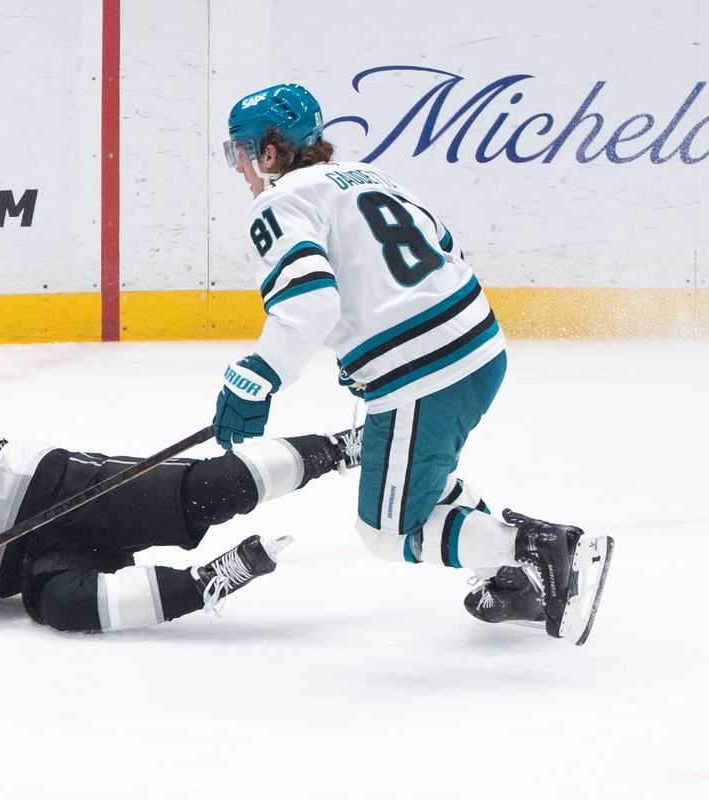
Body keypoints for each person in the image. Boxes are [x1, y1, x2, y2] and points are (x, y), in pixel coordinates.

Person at [212, 83, 614, 644]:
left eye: (239, 151)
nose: (239, 167)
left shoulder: (279, 202)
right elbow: (446, 248)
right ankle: (510, 582)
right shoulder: (372, 176)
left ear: (269, 152)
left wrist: (257, 378)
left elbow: (310, 299)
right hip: (481, 349)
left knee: (386, 530)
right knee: (423, 482)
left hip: (425, 375)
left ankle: (535, 550)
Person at [0, 334, 363, 634]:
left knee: (202, 490)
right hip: (29, 552)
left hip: (58, 493)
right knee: (59, 606)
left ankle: (342, 448)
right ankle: (206, 584)